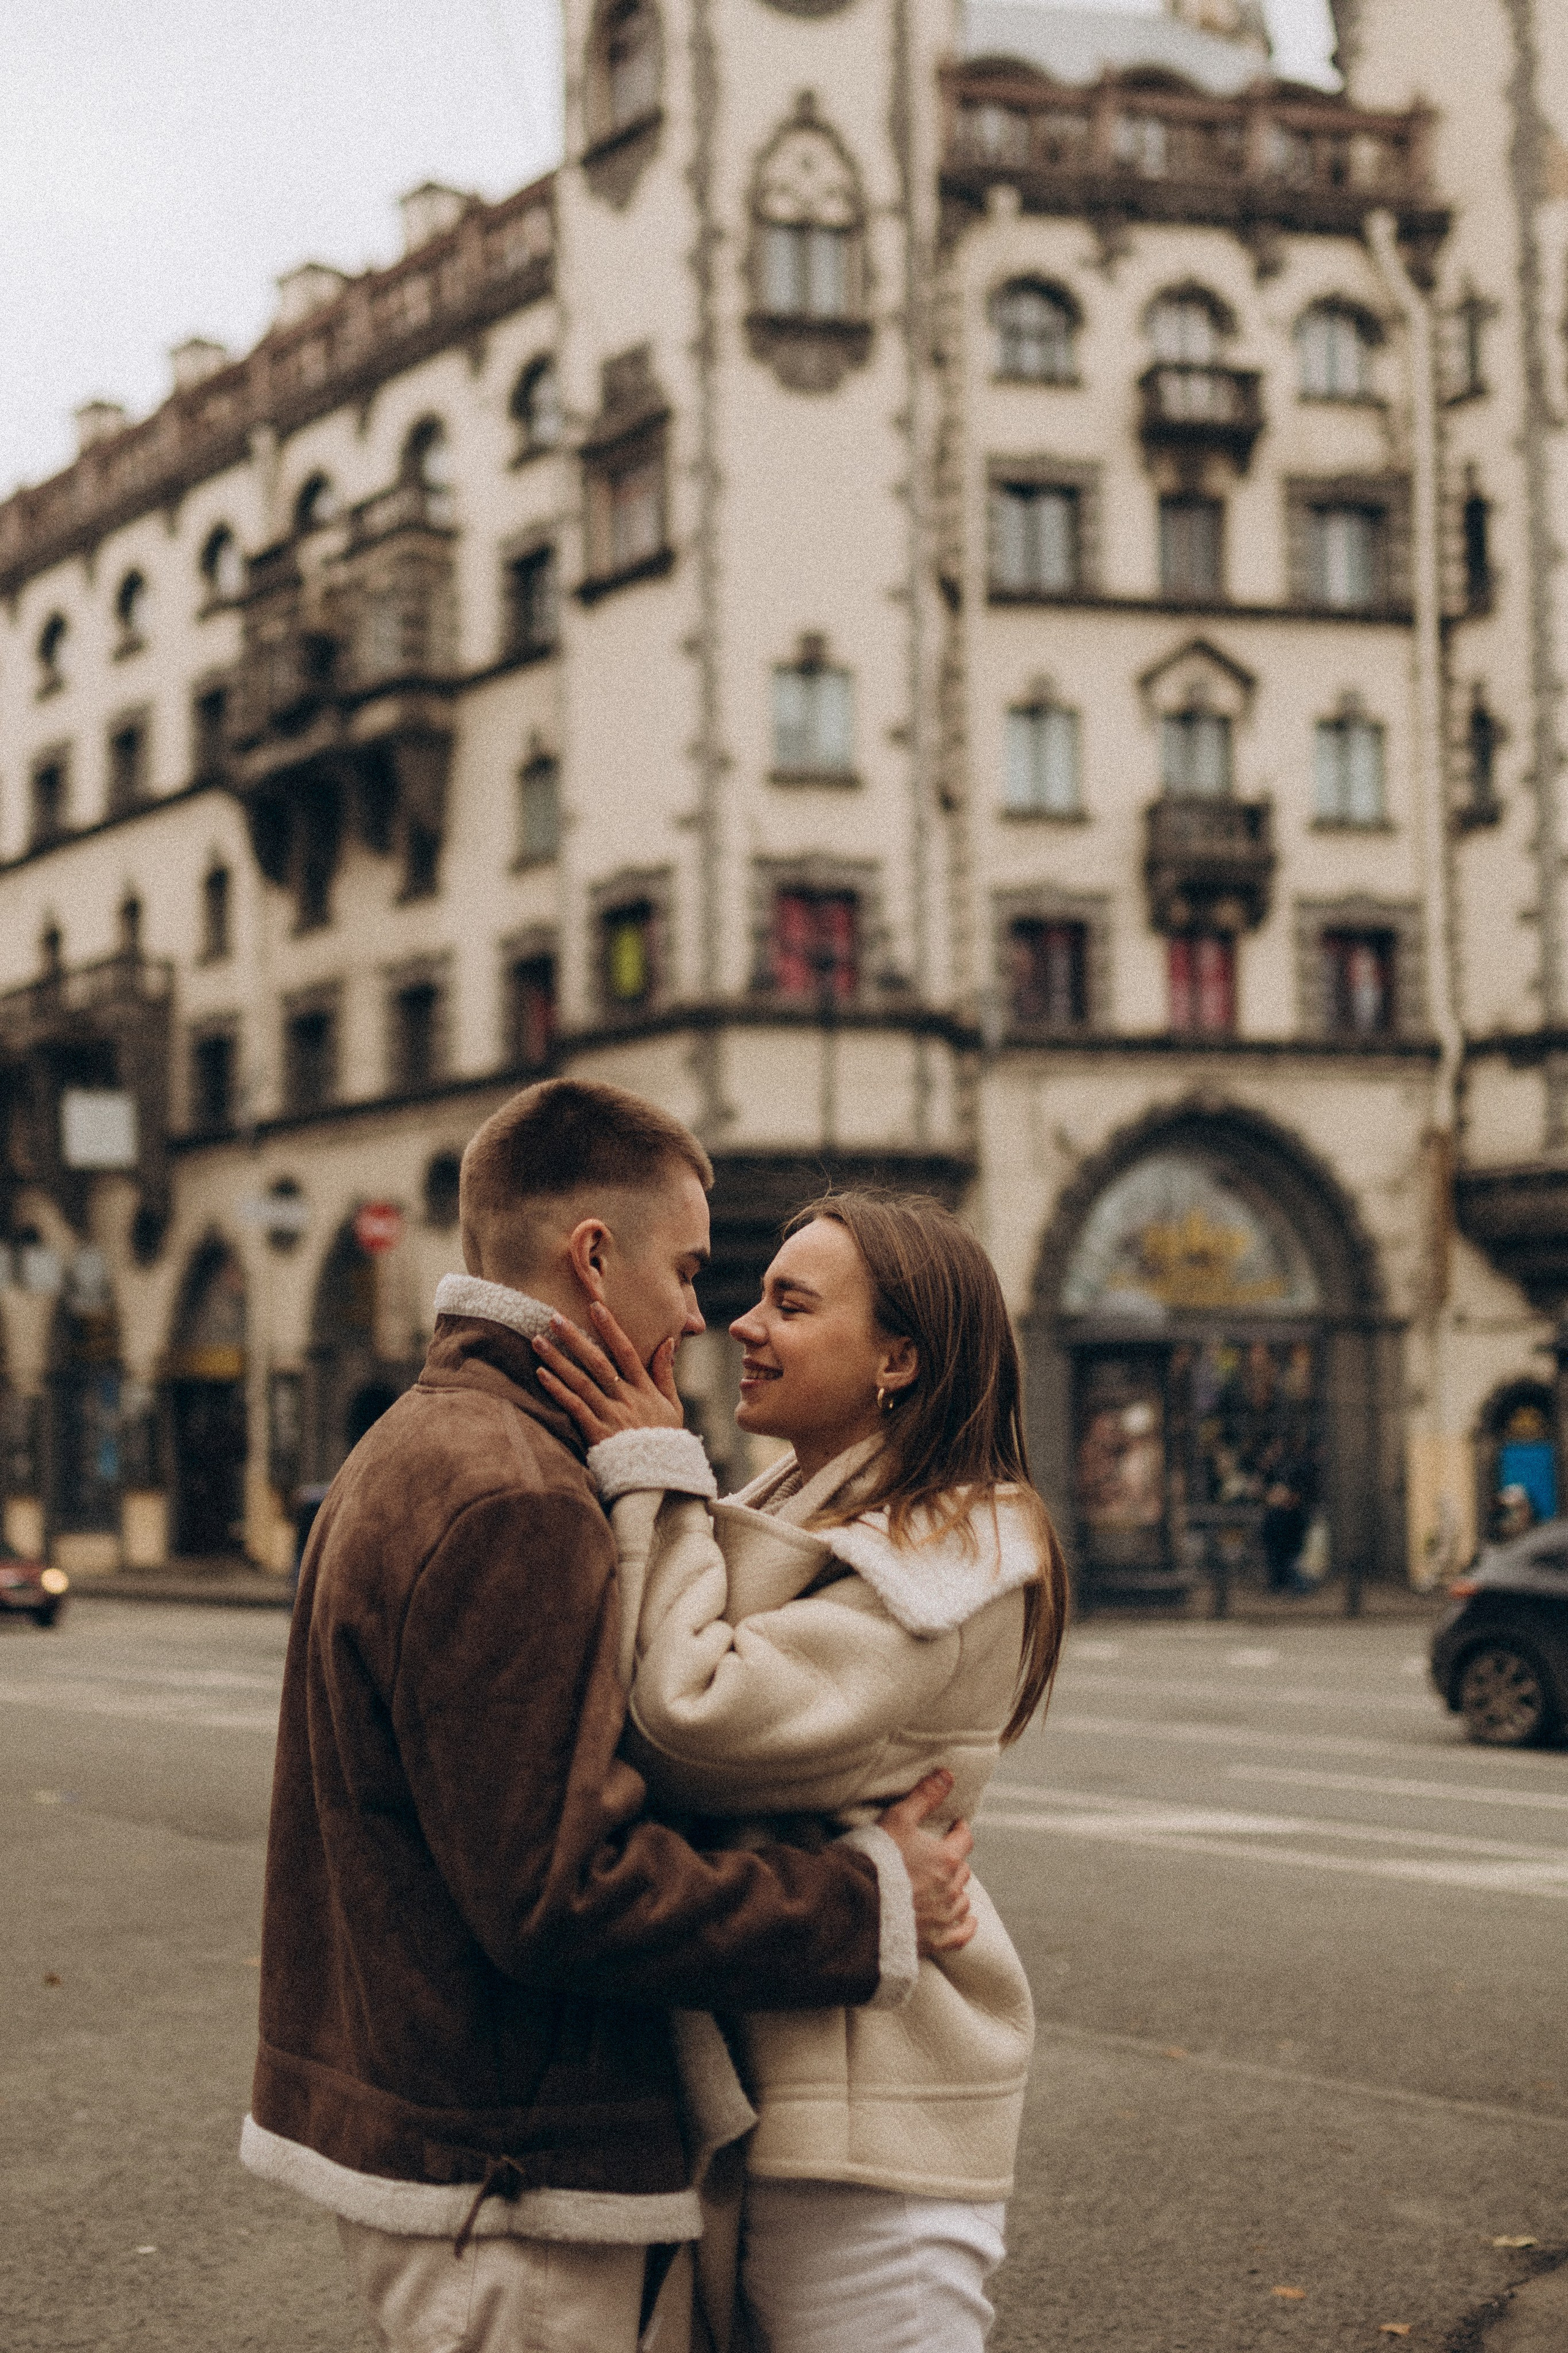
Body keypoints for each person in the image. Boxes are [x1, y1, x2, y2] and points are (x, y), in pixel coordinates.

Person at [241, 1082, 976, 2353]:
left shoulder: (425, 1441)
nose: (703, 1312)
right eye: (690, 1270)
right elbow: (560, 1894)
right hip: (512, 2186)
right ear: (593, 1257)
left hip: (462, 2155)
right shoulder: (513, 1490)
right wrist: (869, 1897)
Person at [533, 1188, 1070, 2353]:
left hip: (875, 2127)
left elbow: (690, 1717)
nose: (742, 1323)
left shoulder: (953, 1558)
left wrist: (652, 1469)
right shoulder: (797, 1510)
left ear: (898, 1358)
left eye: (790, 1301)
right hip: (792, 2085)